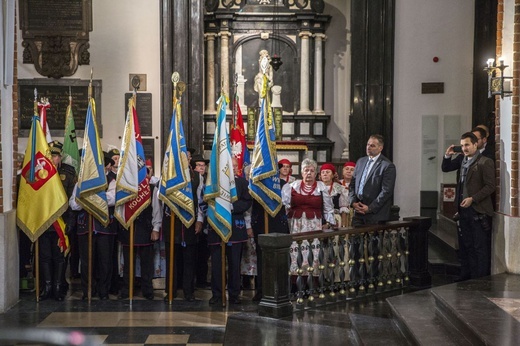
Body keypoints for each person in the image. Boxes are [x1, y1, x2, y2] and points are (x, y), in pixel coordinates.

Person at [442, 132, 495, 280]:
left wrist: (473, 198)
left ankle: (481, 278)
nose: (464, 148)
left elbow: (490, 186)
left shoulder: (485, 162)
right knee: (467, 245)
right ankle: (468, 275)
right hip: (463, 210)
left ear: (475, 144)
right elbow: (445, 168)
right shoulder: (462, 159)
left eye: (467, 145)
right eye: (463, 145)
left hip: (478, 210)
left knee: (480, 247)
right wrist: (447, 155)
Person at [70, 152, 118, 300]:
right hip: (85, 227)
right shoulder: (81, 182)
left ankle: (104, 291)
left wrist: (88, 197)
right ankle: (88, 291)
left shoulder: (111, 181)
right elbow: (73, 203)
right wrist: (88, 199)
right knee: (86, 262)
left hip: (105, 227)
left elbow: (112, 199)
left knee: (105, 261)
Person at [208, 157, 252, 305]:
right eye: (229, 166)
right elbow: (207, 200)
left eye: (234, 166)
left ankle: (234, 294)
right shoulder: (214, 184)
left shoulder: (242, 183)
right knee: (216, 264)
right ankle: (217, 294)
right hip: (216, 227)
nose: (232, 168)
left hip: (236, 228)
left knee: (234, 264)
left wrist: (231, 208)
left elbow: (247, 201)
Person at [281, 158, 336, 276]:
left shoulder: (321, 188)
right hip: (296, 225)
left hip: (314, 226)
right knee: (295, 252)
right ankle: (295, 281)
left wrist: (328, 223)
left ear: (316, 173)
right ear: (301, 172)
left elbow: (328, 208)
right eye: (306, 170)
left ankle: (312, 282)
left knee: (313, 253)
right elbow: (285, 206)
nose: (309, 173)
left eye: (312, 171)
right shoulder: (292, 186)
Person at [162, 151, 204, 302]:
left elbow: (200, 201)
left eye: (187, 157)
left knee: (189, 261)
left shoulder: (197, 177)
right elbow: (160, 200)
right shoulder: (168, 177)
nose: (185, 160)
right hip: (171, 223)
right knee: (172, 260)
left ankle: (188, 292)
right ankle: (171, 291)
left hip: (190, 224)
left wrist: (199, 220)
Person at [38, 141, 76, 300]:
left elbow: (72, 200)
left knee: (59, 257)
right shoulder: (40, 174)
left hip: (61, 222)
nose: (53, 158)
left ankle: (58, 287)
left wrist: (70, 222)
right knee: (45, 256)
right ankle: (47, 286)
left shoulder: (68, 173)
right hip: (44, 222)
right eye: (51, 155)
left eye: (56, 155)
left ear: (60, 157)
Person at [118, 166, 161, 300]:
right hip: (128, 229)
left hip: (145, 229)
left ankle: (147, 290)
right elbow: (119, 208)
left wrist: (156, 228)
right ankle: (127, 289)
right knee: (128, 264)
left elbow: (156, 210)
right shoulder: (124, 188)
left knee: (147, 264)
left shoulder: (151, 188)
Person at [349, 135, 396, 227]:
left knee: (374, 241)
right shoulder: (360, 161)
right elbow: (352, 185)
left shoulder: (387, 165)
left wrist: (370, 208)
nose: (368, 147)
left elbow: (386, 191)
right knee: (355, 240)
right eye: (368, 145)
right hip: (358, 212)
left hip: (376, 214)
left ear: (380, 148)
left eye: (372, 146)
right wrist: (353, 202)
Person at [191, 154, 211, 289]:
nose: (201, 168)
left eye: (203, 165)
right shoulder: (192, 180)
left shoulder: (209, 180)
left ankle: (202, 280)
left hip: (208, 221)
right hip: (195, 220)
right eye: (198, 165)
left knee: (205, 253)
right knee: (194, 253)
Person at [319, 163, 350, 227]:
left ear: (333, 175)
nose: (325, 174)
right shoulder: (317, 187)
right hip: (319, 216)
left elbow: (343, 206)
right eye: (323, 172)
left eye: (328, 172)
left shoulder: (339, 188)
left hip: (335, 217)